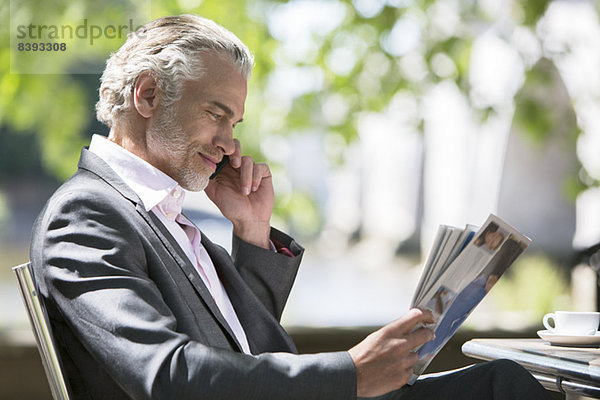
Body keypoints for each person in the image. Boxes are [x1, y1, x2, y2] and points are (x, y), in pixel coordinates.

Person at [29, 14, 551, 400]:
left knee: (504, 384)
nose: (230, 145)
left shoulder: (166, 216)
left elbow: (251, 354)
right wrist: (351, 372)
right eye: (216, 114)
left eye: (235, 124)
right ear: (147, 95)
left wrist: (252, 235)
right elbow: (169, 375)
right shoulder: (87, 214)